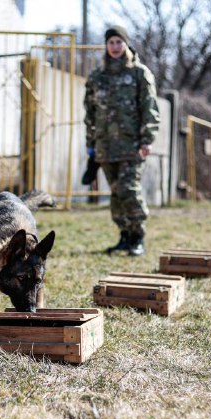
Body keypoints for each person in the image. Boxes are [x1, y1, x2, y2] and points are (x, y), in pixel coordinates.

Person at [84, 25, 160, 256]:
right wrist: (91, 144)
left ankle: (138, 236)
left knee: (128, 189)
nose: (115, 47)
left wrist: (147, 139)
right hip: (105, 146)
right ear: (106, 46)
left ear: (126, 44)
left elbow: (150, 109)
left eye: (119, 42)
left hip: (131, 145)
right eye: (111, 42)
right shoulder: (97, 77)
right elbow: (90, 113)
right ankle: (124, 236)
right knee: (116, 193)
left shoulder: (139, 73)